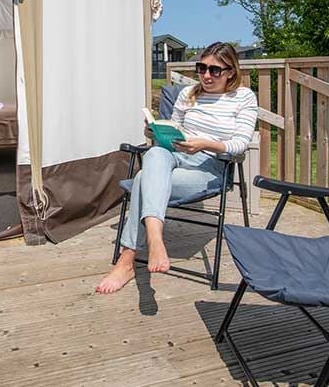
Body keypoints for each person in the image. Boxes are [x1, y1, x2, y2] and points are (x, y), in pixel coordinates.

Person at [95, 42, 259, 294]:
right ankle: (154, 238)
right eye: (201, 68)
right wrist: (154, 131)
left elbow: (239, 145)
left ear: (230, 72)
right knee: (157, 152)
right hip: (175, 156)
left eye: (215, 70)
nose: (206, 75)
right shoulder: (189, 94)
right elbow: (174, 127)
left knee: (141, 180)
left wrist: (204, 143)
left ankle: (127, 260)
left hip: (209, 167)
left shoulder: (243, 97)